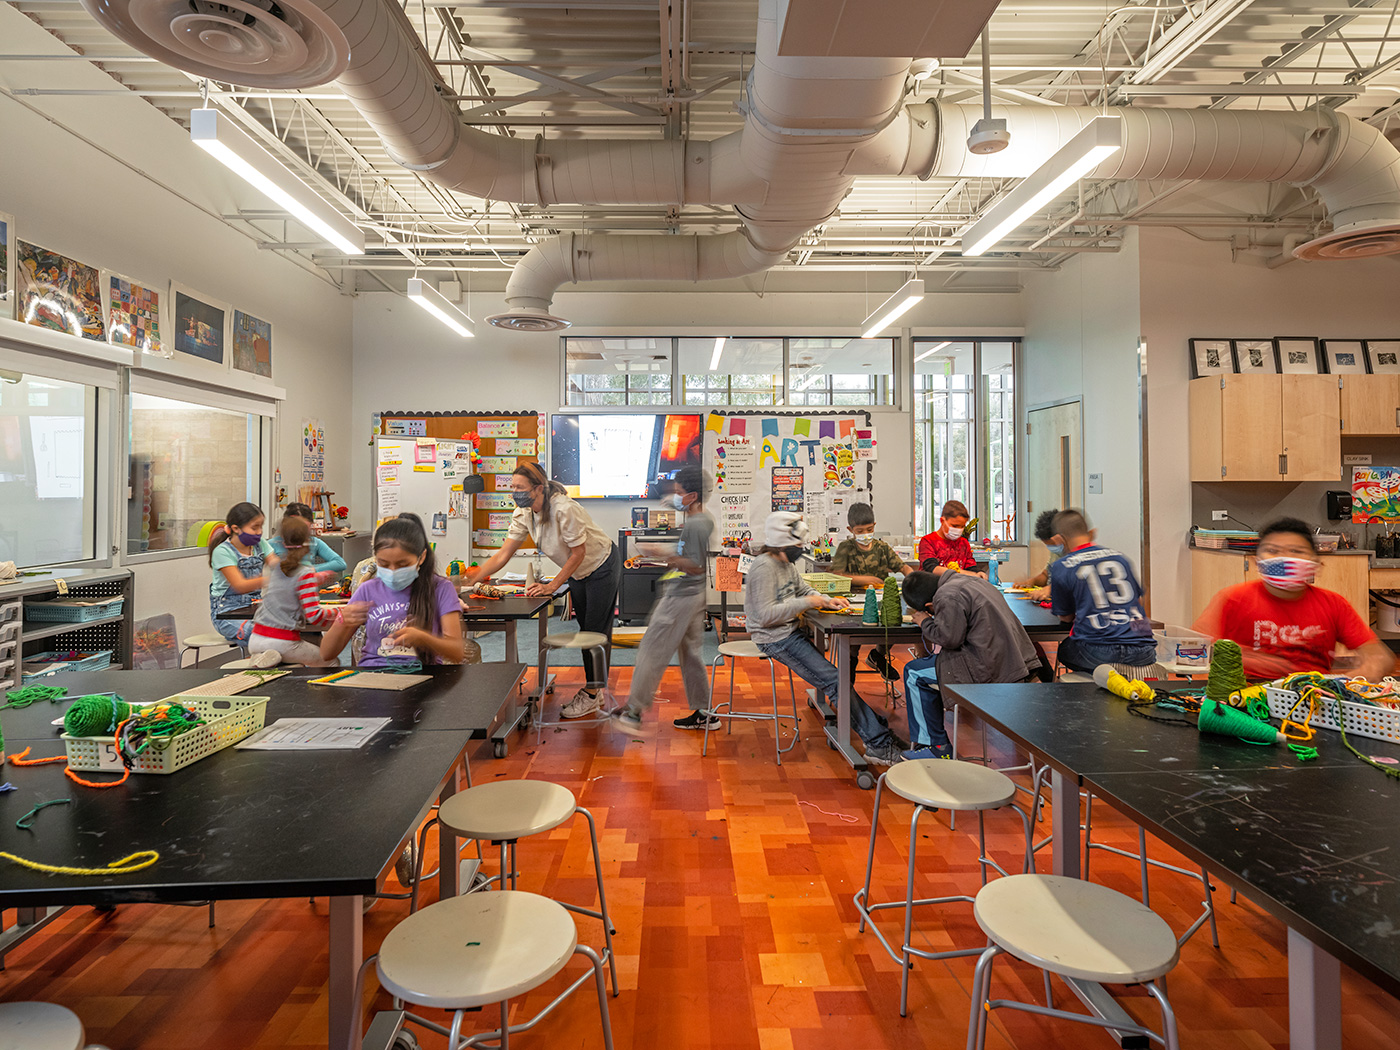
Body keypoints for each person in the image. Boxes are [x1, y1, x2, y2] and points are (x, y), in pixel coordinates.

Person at [745, 512, 904, 767]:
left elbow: (803, 589)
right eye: (797, 545)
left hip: (789, 632)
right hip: (774, 637)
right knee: (834, 681)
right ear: (781, 541)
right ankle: (879, 744)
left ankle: (877, 731)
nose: (801, 549)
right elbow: (764, 615)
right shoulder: (765, 567)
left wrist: (825, 599)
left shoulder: (785, 562)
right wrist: (809, 602)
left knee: (835, 679)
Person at [465, 461, 619, 718]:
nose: (514, 492)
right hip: (578, 570)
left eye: (519, 487)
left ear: (538, 488)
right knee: (585, 627)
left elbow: (578, 553)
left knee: (594, 631)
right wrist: (470, 579)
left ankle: (592, 693)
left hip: (601, 564)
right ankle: (597, 688)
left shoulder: (564, 509)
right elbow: (504, 553)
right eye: (511, 486)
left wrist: (553, 585)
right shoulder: (523, 512)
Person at [1193, 517, 1391, 681]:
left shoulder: (1333, 604)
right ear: (1257, 561)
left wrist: (1353, 680)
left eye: (1296, 552)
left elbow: (1380, 657)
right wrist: (1248, 659)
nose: (1285, 558)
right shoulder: (1233, 599)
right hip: (1244, 695)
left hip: (1310, 697)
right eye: (1273, 550)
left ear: (1316, 563)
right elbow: (1195, 650)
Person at [900, 569, 1042, 761]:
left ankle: (935, 746)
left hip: (991, 668)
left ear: (929, 605)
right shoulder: (971, 582)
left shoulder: (947, 596)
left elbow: (949, 639)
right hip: (1014, 660)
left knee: (913, 673)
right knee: (923, 668)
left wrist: (925, 621)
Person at [614, 465, 715, 732]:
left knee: (651, 650)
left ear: (692, 496)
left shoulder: (696, 524)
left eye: (679, 492)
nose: (674, 496)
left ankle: (634, 712)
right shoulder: (702, 519)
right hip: (693, 595)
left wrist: (661, 553)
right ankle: (704, 712)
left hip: (681, 597)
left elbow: (695, 565)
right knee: (691, 655)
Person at [321, 513, 464, 667]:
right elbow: (327, 653)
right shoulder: (368, 590)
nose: (393, 571)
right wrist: (342, 621)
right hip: (374, 674)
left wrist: (424, 638)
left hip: (424, 675)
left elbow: (457, 652)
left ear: (421, 557)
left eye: (402, 564)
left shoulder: (441, 588)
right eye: (384, 564)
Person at [1047, 509, 1157, 673]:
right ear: (1091, 533)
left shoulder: (1062, 565)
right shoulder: (1120, 557)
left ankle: (1093, 691)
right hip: (1143, 651)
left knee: (1064, 651)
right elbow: (1139, 601)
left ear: (1058, 539)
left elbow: (1066, 616)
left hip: (1098, 651)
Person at [829, 501, 912, 681]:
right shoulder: (846, 548)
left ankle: (877, 655)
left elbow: (903, 567)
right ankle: (847, 686)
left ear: (874, 526)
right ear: (850, 529)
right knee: (852, 641)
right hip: (852, 602)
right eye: (859, 531)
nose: (865, 534)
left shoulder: (882, 548)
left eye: (868, 529)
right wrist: (866, 580)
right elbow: (838, 575)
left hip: (880, 601)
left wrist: (913, 580)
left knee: (892, 627)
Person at [248, 515, 334, 667]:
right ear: (309, 542)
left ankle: (263, 659)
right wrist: (339, 613)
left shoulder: (275, 568)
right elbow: (315, 616)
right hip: (283, 641)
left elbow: (288, 585)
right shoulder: (305, 573)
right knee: (331, 661)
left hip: (255, 638)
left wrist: (313, 580)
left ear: (282, 542)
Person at [208, 502, 271, 645]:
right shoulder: (223, 552)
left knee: (293, 627)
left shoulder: (260, 544)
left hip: (255, 608)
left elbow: (278, 565)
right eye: (254, 527)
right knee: (265, 635)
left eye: (261, 526)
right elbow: (240, 585)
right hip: (226, 614)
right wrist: (271, 579)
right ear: (236, 528)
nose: (259, 532)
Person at [269, 502, 348, 580]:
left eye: (305, 528)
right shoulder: (272, 544)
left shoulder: (314, 542)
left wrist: (311, 570)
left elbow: (340, 563)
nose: (301, 532)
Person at [918, 499, 982, 575]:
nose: (958, 530)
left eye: (962, 527)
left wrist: (979, 573)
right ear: (942, 521)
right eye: (955, 526)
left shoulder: (963, 543)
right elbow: (931, 568)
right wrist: (960, 572)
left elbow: (971, 567)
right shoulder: (928, 541)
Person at [1011, 508, 1061, 600]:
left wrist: (1050, 589)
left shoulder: (1077, 557)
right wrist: (1032, 581)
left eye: (1052, 544)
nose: (1051, 548)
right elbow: (1046, 575)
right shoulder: (1056, 552)